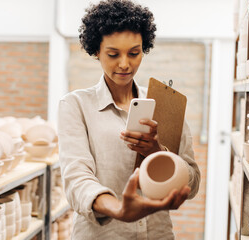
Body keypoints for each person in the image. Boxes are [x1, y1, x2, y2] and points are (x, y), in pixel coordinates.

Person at [57, 0, 200, 239]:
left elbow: (192, 183)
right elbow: (77, 180)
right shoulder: (76, 105)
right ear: (95, 52)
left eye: (134, 53)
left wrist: (158, 152)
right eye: (113, 54)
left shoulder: (166, 103)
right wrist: (120, 210)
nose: (125, 64)